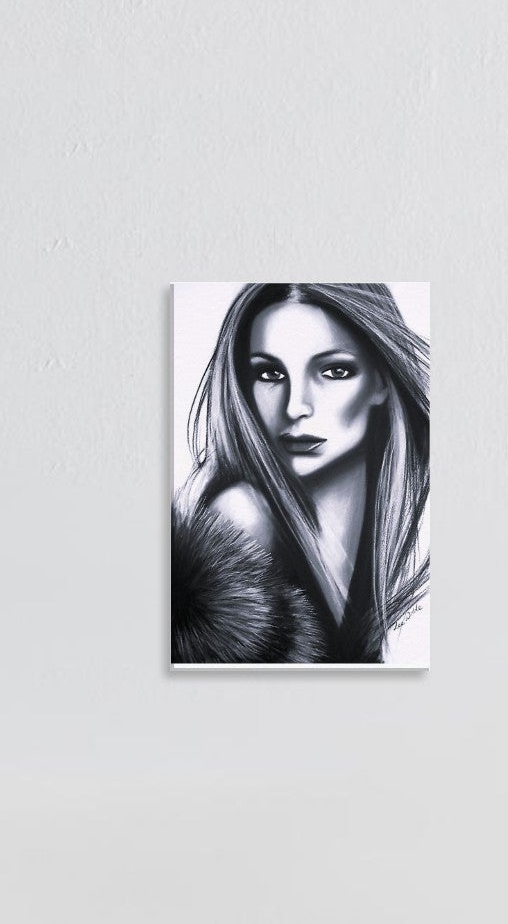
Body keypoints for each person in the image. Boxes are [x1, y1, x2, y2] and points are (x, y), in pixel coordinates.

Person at [172, 282, 430, 665]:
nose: (295, 407)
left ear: (382, 382)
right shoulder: (241, 517)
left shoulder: (373, 546)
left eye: (334, 370)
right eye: (270, 373)